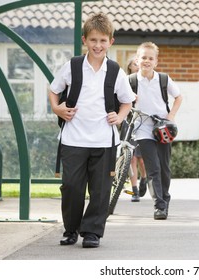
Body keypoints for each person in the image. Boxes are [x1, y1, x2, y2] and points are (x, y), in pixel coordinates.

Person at [48, 13, 135, 247]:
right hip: (73, 138)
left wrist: (120, 116)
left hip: (104, 141)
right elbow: (54, 90)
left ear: (111, 42)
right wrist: (57, 109)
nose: (98, 45)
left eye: (103, 41)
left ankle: (92, 232)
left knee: (100, 190)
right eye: (93, 40)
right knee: (72, 187)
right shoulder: (72, 66)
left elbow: (127, 101)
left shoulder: (116, 71)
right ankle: (71, 230)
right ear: (84, 40)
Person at [133, 42, 182, 220]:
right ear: (137, 60)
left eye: (150, 58)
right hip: (143, 128)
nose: (146, 61)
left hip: (162, 127)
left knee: (164, 168)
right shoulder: (131, 80)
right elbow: (120, 99)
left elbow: (178, 96)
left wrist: (171, 115)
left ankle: (165, 198)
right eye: (143, 57)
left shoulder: (163, 79)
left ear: (156, 62)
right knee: (152, 167)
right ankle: (159, 205)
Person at [126, 56, 147, 202]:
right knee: (131, 158)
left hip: (143, 122)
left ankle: (144, 178)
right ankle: (134, 190)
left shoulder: (146, 82)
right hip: (129, 122)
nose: (138, 66)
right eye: (135, 63)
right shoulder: (126, 81)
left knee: (142, 160)